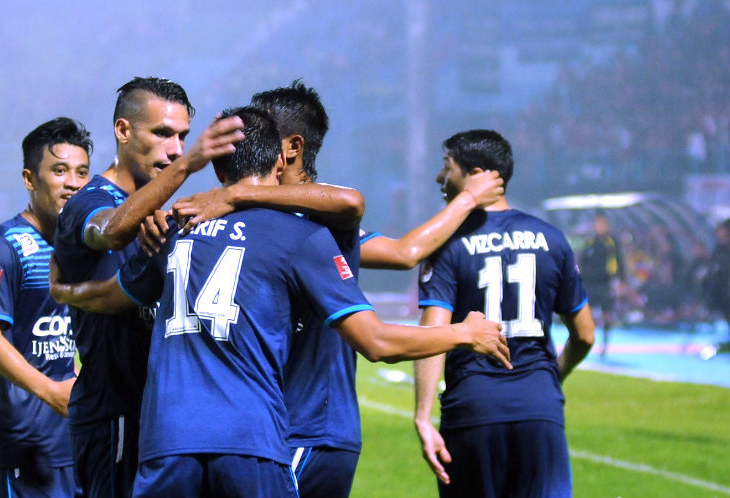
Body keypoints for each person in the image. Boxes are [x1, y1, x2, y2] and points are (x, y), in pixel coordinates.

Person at [50, 107, 510, 498]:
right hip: (252, 441)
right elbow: (375, 342)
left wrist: (64, 293)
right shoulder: (303, 236)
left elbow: (112, 298)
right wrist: (465, 333)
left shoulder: (174, 228)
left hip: (166, 441)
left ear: (218, 169)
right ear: (278, 162)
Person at [52, 76, 244, 498]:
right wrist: (189, 165)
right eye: (162, 134)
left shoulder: (167, 212)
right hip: (115, 416)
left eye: (182, 138)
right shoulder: (89, 201)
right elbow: (113, 230)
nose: (174, 148)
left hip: (169, 419)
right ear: (123, 131)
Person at [413, 129, 596, 498]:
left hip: (474, 408)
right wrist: (551, 376)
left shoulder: (447, 243)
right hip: (539, 407)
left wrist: (422, 414)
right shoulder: (552, 238)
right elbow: (586, 334)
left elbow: (434, 334)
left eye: (447, 167)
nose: (439, 177)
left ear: (476, 173)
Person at [0, 117, 92, 498]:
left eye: (82, 172)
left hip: (73, 441)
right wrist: (52, 392)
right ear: (29, 178)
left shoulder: (83, 248)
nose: (73, 182)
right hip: (20, 443)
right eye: (59, 171)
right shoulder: (5, 247)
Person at [580, 212, 624, 358]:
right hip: (590, 283)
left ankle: (605, 343)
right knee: (587, 314)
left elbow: (619, 262)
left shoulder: (611, 242)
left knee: (607, 314)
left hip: (605, 283)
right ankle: (587, 341)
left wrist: (619, 281)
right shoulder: (589, 241)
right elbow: (582, 262)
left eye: (602, 223)